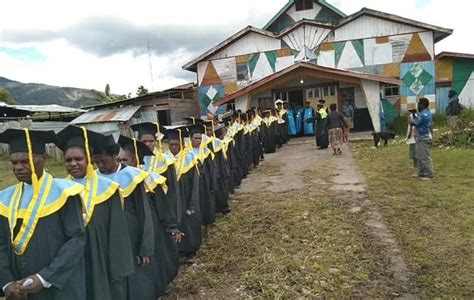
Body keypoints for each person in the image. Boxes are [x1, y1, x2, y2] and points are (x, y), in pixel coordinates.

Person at [0, 129, 86, 300]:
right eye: (14, 162)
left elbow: (76, 240)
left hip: (58, 286)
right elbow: (1, 243)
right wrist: (7, 282)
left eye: (25, 161)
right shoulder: (5, 198)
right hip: (19, 289)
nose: (18, 168)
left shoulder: (64, 193)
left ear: (44, 160)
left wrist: (44, 277)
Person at [56, 126, 134, 300]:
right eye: (68, 160)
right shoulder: (58, 191)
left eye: (78, 159)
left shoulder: (107, 188)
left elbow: (118, 232)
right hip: (70, 260)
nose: (73, 163)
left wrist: (118, 268)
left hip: (101, 257)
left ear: (89, 159)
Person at [92, 133, 155, 300]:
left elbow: (144, 214)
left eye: (103, 161)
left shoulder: (132, 177)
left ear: (114, 156)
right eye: (96, 162)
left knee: (136, 283)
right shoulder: (94, 179)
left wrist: (145, 248)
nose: (100, 166)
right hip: (109, 241)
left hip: (132, 239)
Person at [118, 135, 181, 297]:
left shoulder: (149, 178)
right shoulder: (117, 180)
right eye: (119, 160)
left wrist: (171, 227)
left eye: (125, 160)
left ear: (136, 160)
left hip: (152, 229)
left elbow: (163, 206)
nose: (121, 164)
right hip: (129, 232)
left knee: (152, 264)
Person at [165, 127, 202, 265]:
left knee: (188, 223)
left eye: (176, 145)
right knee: (175, 222)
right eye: (171, 145)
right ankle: (178, 249)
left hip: (186, 198)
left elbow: (195, 183)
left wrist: (192, 203)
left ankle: (190, 250)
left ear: (182, 144)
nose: (174, 147)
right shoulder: (165, 160)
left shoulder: (189, 159)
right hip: (171, 199)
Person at [409, 97, 435, 180]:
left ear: (423, 105)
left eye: (419, 104)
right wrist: (414, 115)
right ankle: (421, 173)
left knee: (424, 157)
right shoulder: (427, 113)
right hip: (421, 137)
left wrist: (409, 117)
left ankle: (429, 174)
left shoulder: (423, 114)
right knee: (419, 156)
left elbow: (414, 123)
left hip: (423, 138)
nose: (418, 106)